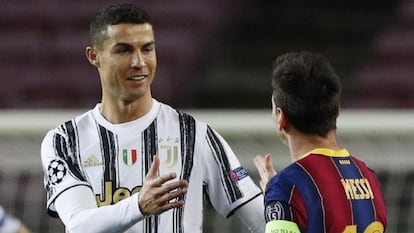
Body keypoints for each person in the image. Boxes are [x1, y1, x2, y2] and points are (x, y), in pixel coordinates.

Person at [40, 3, 265, 233]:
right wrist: (138, 205)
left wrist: (281, 205)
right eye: (124, 50)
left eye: (147, 49)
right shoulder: (64, 141)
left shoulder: (195, 135)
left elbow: (261, 220)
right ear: (94, 56)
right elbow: (78, 226)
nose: (139, 62)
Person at [253, 51, 387, 233]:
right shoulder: (369, 177)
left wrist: (278, 197)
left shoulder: (288, 188)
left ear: (280, 118)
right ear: (337, 112)